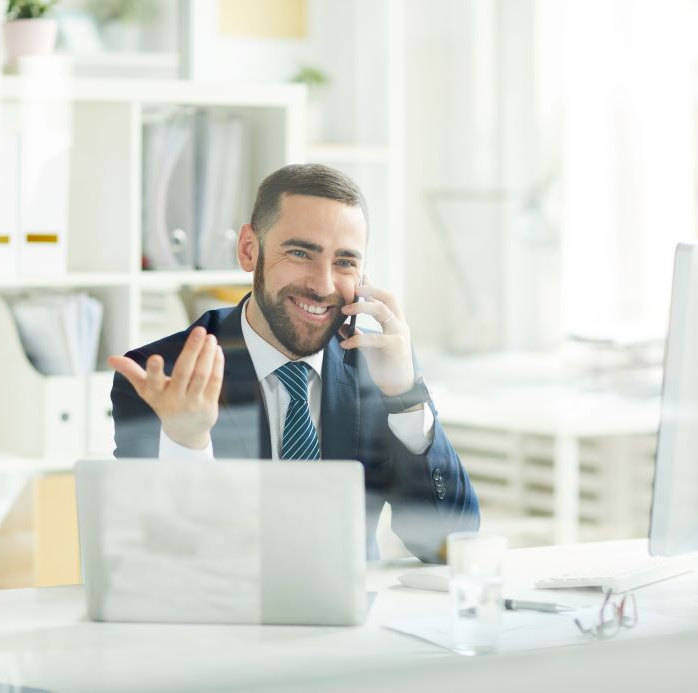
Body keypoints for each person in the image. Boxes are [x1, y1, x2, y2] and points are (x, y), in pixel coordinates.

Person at [109, 163, 479, 562]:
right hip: (225, 618)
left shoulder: (373, 369)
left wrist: (405, 397)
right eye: (301, 252)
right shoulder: (162, 375)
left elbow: (448, 544)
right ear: (250, 250)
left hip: (347, 620)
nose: (322, 286)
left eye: (345, 262)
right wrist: (187, 442)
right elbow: (158, 560)